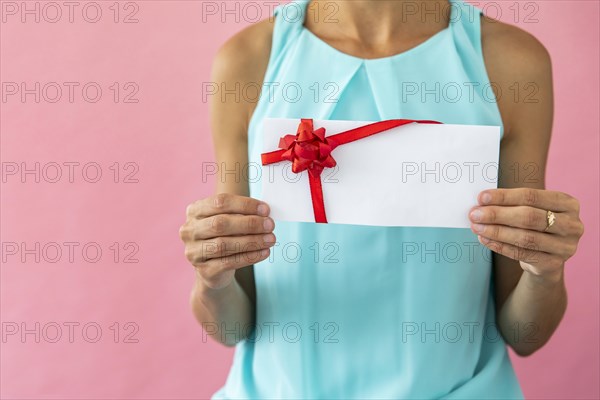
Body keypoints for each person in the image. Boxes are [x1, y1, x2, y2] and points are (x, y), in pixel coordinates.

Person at [179, 0, 584, 398]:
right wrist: (212, 277)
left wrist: (544, 270)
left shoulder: (510, 62)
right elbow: (231, 330)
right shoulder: (248, 59)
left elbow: (524, 335)